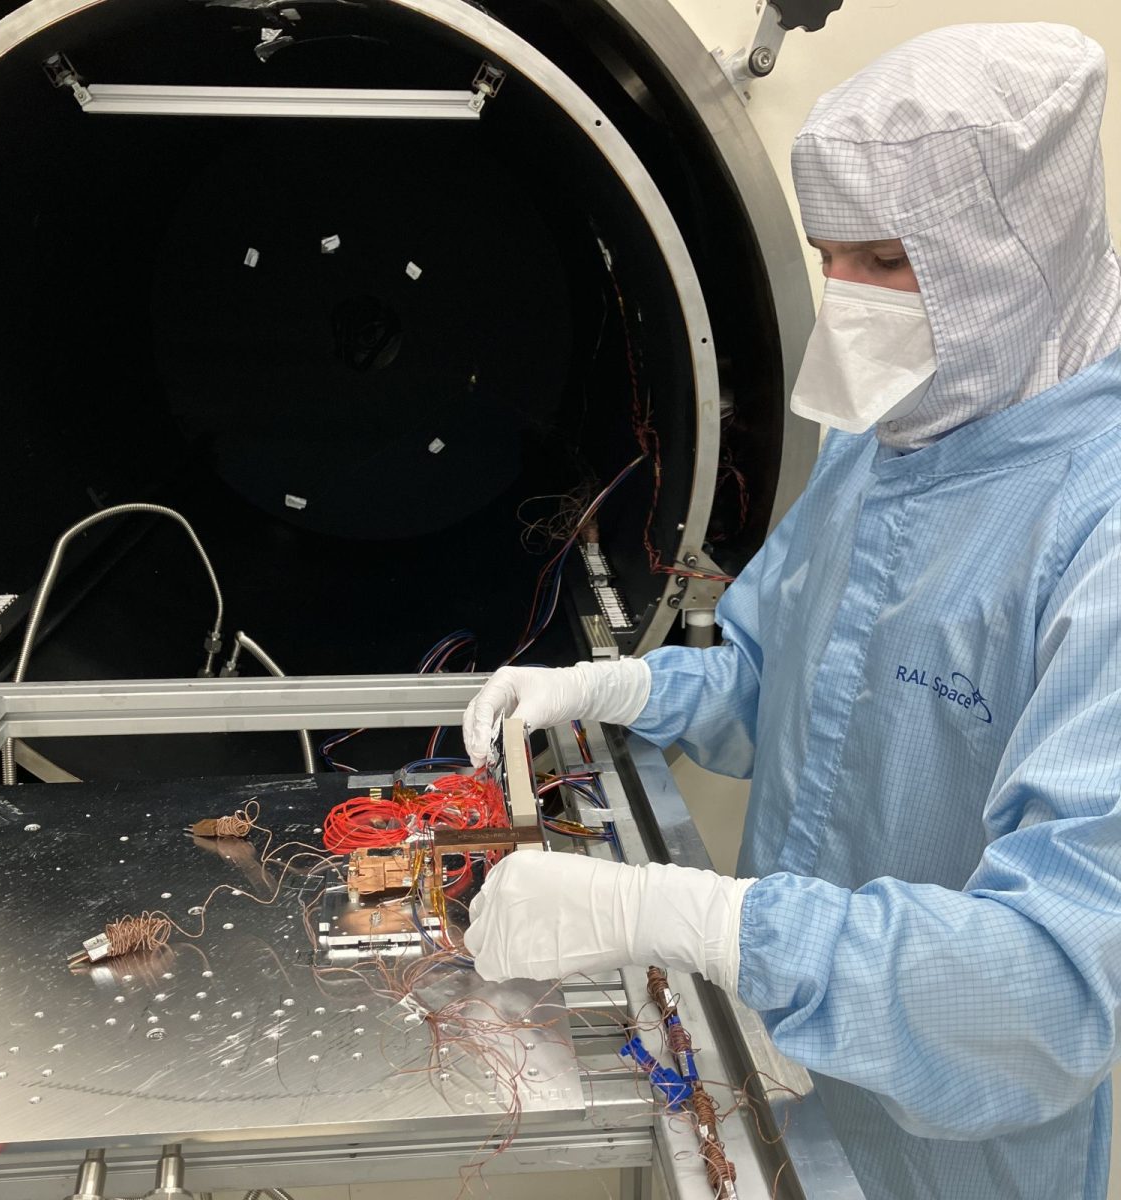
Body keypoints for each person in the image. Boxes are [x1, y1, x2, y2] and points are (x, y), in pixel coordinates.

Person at [460, 22, 1121, 1200]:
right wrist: (617, 687)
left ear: (1016, 250)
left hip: (953, 1159)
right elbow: (777, 682)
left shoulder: (1096, 527)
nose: (846, 300)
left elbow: (1055, 980)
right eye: (828, 259)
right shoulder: (896, 439)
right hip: (771, 1081)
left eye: (886, 260)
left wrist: (697, 922)